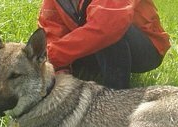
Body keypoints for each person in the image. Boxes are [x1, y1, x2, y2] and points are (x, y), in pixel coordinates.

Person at [38, 0, 170, 89]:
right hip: (92, 41)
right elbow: (52, 25)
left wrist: (52, 56)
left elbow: (107, 26)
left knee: (110, 31)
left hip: (145, 48)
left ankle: (117, 97)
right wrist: (58, 69)